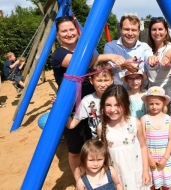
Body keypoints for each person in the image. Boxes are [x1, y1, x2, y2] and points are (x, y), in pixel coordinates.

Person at [51, 15, 124, 182]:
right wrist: (110, 56)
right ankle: (79, 181)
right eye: (64, 31)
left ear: (77, 31)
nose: (68, 33)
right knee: (75, 149)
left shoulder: (86, 50)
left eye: (71, 29)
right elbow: (81, 62)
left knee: (96, 144)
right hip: (73, 108)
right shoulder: (59, 54)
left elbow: (100, 70)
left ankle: (99, 177)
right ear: (58, 35)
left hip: (94, 104)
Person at [98, 85, 151, 189]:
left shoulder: (135, 123)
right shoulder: (102, 128)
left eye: (117, 105)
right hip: (118, 176)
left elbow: (143, 147)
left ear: (126, 104)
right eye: (108, 105)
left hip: (137, 172)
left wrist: (145, 171)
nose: (112, 109)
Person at [66, 61, 114, 139]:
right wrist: (60, 105)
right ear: (91, 80)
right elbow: (71, 125)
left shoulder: (118, 97)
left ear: (112, 80)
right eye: (99, 80)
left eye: (106, 80)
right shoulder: (87, 101)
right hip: (98, 145)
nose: (103, 84)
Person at [104, 15, 153, 89]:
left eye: (134, 30)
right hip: (117, 93)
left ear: (138, 32)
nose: (130, 33)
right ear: (120, 30)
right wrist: (123, 66)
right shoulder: (110, 46)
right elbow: (106, 69)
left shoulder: (145, 47)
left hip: (139, 94)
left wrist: (153, 61)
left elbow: (150, 63)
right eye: (126, 29)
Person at [140, 86, 171, 190]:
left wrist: (165, 159)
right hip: (150, 159)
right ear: (147, 104)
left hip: (165, 159)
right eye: (151, 104)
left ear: (163, 103)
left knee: (166, 185)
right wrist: (149, 159)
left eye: (157, 104)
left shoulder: (169, 119)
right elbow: (143, 141)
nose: (154, 107)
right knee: (151, 184)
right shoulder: (144, 119)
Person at [146, 17, 171, 89]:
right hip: (153, 93)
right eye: (154, 29)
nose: (157, 33)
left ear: (166, 31)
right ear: (150, 32)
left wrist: (167, 57)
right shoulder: (147, 49)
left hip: (169, 92)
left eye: (160, 29)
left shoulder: (169, 47)